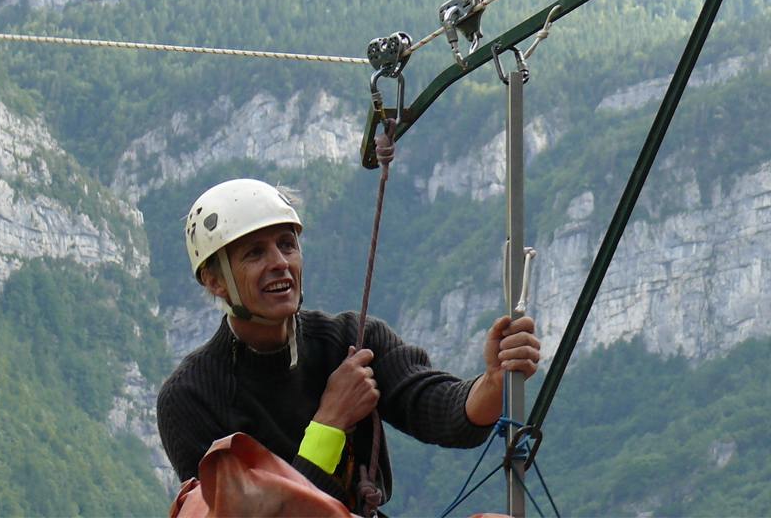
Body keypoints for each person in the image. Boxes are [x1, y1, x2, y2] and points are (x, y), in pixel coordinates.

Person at [156, 178, 541, 513]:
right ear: (214, 281)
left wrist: (493, 381)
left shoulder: (352, 341)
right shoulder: (190, 397)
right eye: (255, 253)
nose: (279, 263)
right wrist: (330, 422)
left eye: (287, 245)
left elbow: (438, 408)